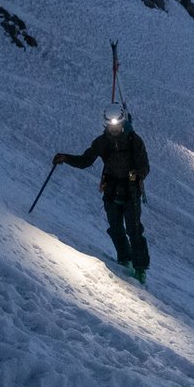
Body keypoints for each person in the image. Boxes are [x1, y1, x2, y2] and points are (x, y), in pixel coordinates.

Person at [55, 110, 151, 282]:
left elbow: (144, 165)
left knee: (134, 229)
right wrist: (65, 158)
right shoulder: (101, 142)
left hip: (131, 191)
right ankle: (124, 258)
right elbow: (85, 160)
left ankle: (140, 268)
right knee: (115, 227)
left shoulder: (134, 140)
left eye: (117, 125)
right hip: (111, 189)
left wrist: (137, 174)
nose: (113, 129)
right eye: (110, 126)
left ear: (122, 123)